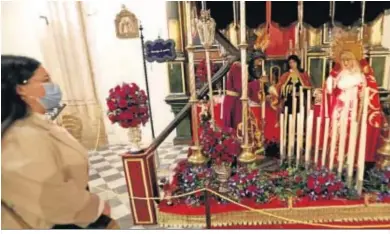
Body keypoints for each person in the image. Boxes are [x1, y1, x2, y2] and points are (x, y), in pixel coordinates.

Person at [1, 55, 111, 229]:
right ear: (21, 89)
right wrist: (94, 207)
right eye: (46, 80)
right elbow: (48, 197)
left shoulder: (35, 122)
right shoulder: (18, 138)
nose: (54, 86)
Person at [319, 49, 382, 166]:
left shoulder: (360, 75)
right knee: (337, 131)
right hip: (339, 107)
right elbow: (329, 89)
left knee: (351, 131)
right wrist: (331, 77)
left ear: (353, 60)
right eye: (343, 60)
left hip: (352, 108)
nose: (346, 62)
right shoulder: (339, 75)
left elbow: (365, 93)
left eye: (348, 59)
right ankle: (336, 157)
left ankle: (349, 158)